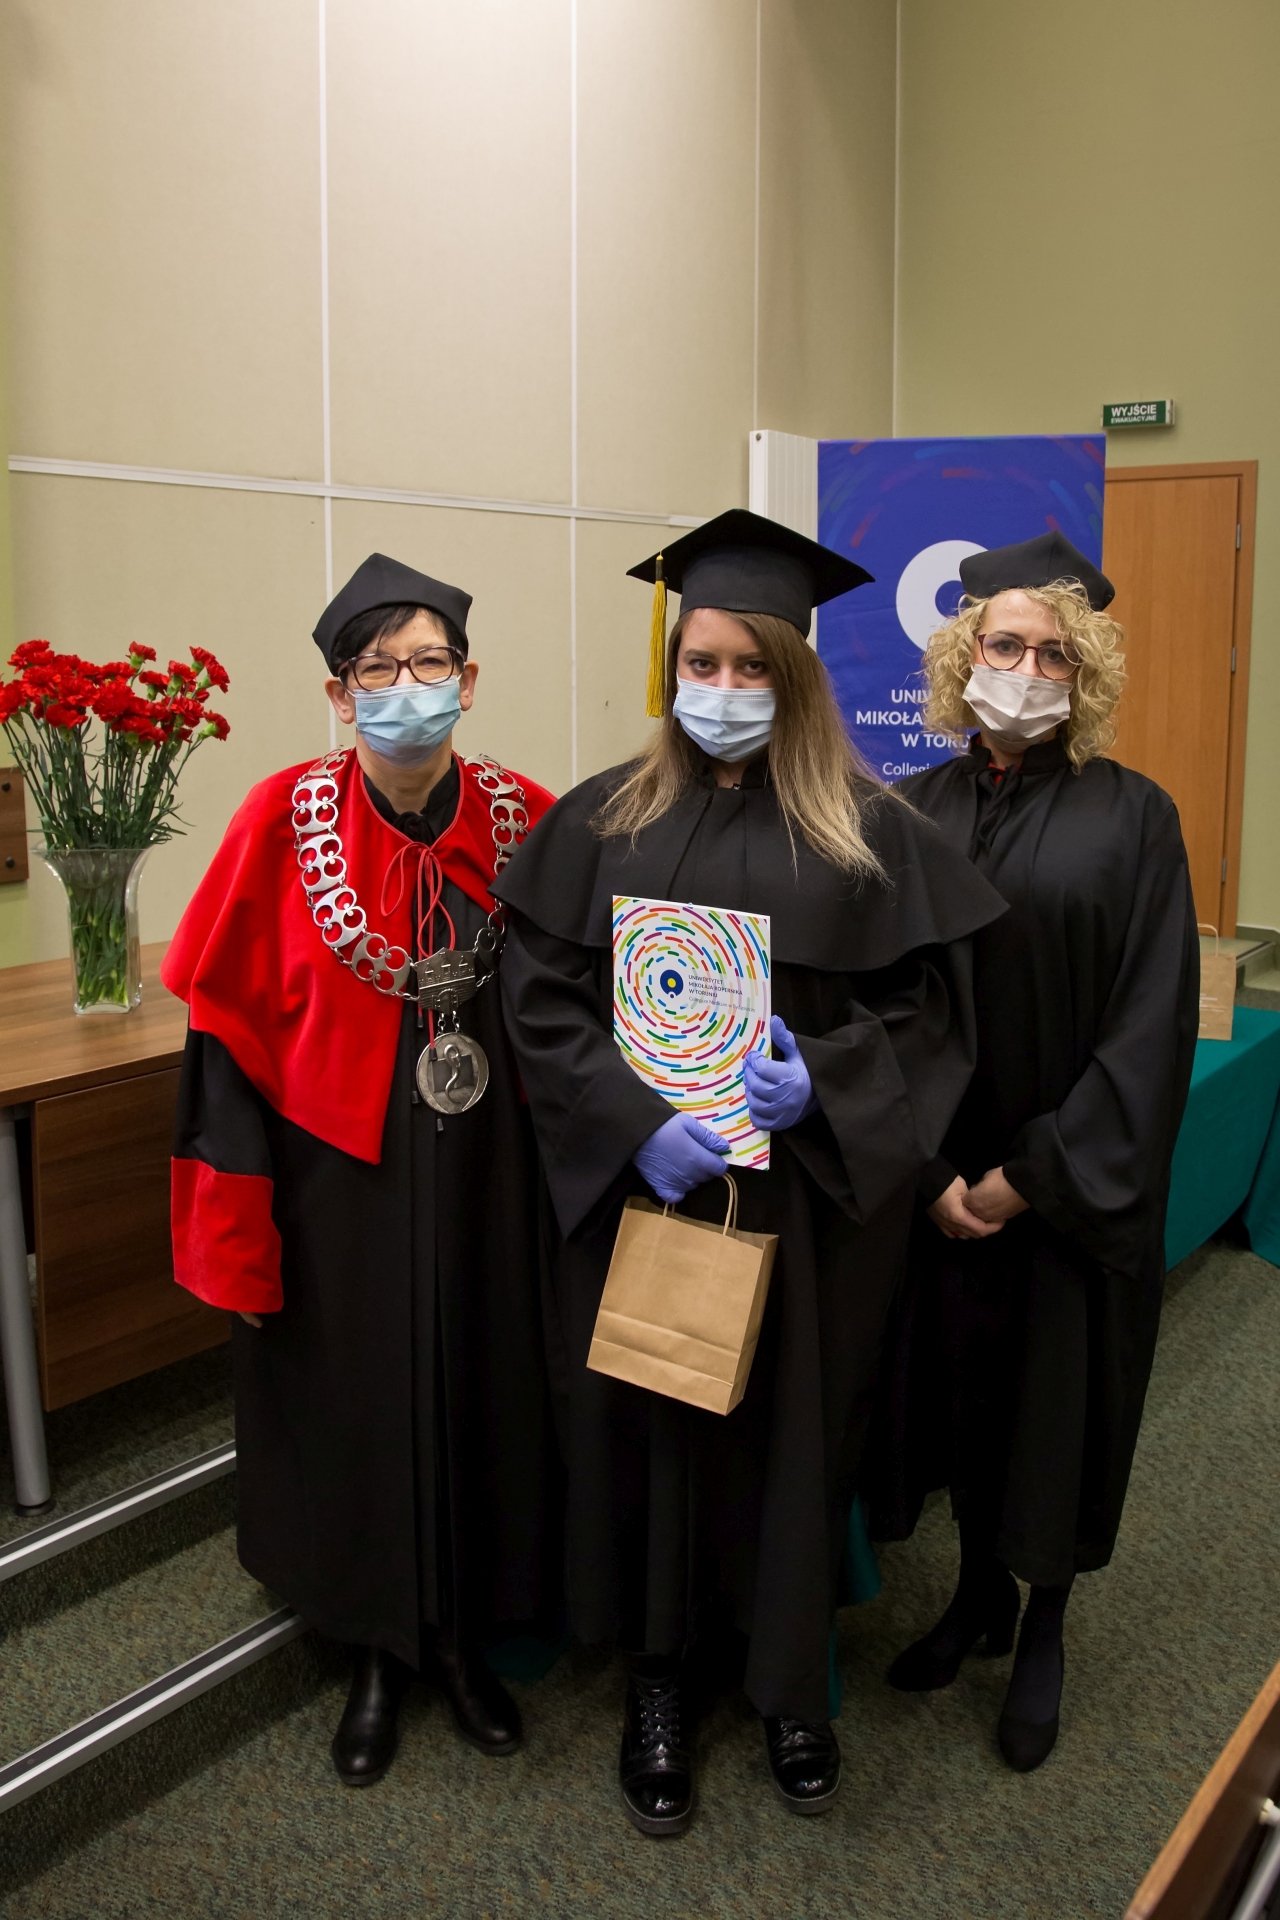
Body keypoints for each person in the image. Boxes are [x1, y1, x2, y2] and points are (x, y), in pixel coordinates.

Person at [491, 510, 1006, 1836]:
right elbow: (539, 1000)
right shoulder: (600, 819)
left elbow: (930, 1013)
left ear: (796, 675)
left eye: (751, 667)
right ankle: (659, 1682)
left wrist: (824, 1082)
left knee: (793, 1434)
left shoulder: (868, 832)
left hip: (806, 1205)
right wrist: (627, 1121)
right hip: (650, 1192)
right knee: (654, 1429)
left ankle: (789, 1687)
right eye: (701, 664)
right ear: (672, 669)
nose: (722, 689)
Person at [163, 553, 561, 1788]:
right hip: (333, 1181)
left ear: (468, 680)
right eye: (376, 669)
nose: (405, 687)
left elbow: (581, 1002)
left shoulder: (528, 818)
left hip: (490, 1174)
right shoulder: (280, 822)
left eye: (428, 662)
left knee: (486, 1385)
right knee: (349, 1403)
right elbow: (224, 1044)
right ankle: (376, 1649)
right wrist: (234, 1232)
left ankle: (461, 1639)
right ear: (339, 695)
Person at [870, 532, 1199, 1772]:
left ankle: (1044, 1620)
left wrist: (1026, 1180)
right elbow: (879, 1004)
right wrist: (928, 1171)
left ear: (1084, 672)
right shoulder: (911, 809)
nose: (1024, 669)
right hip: (941, 1177)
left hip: (1062, 1189)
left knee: (1056, 1408)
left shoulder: (1133, 817)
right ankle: (974, 1597)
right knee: (961, 1396)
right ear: (962, 657)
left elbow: (1149, 1024)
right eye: (1002, 644)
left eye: (1052, 653)